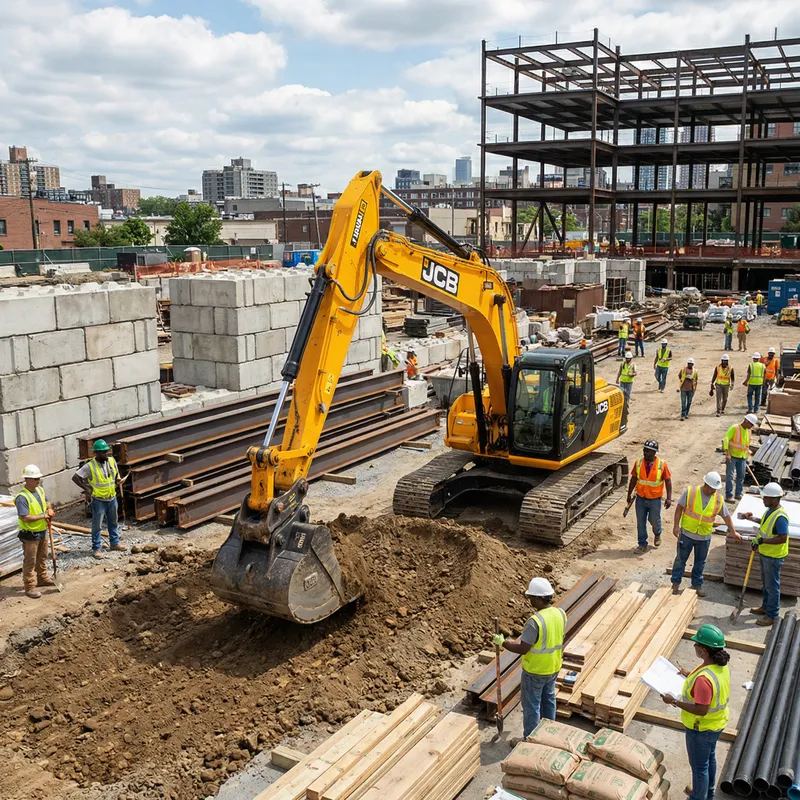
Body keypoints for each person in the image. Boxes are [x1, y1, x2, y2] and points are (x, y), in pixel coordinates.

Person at [661, 625, 731, 800]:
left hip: (701, 729)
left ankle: (698, 797)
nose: (694, 647)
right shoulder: (720, 666)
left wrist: (674, 702)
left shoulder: (703, 680)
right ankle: (708, 793)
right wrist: (688, 673)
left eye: (696, 644)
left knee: (699, 768)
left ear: (704, 650)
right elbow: (708, 680)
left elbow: (701, 709)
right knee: (709, 759)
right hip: (716, 724)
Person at [492, 577, 566, 738]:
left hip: (535, 671)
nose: (530, 600)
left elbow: (523, 648)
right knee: (549, 701)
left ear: (539, 598)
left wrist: (502, 642)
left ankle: (531, 739)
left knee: (532, 706)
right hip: (553, 667)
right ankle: (548, 735)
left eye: (531, 597)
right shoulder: (560, 613)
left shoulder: (535, 622)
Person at [671, 472, 740, 596]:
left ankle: (696, 586)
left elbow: (726, 516)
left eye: (716, 489)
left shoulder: (718, 499)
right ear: (706, 485)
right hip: (687, 534)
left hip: (704, 537)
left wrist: (733, 532)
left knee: (700, 562)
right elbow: (679, 508)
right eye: (713, 488)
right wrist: (676, 526)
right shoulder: (691, 492)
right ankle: (675, 584)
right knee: (680, 560)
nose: (714, 491)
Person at [739, 482, 790, 627]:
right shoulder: (770, 510)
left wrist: (762, 540)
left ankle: (772, 615)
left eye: (765, 497)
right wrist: (751, 518)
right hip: (765, 553)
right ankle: (765, 607)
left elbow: (782, 538)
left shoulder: (781, 517)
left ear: (774, 499)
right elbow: (764, 523)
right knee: (766, 584)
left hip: (773, 557)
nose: (763, 499)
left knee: (772, 586)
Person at [71, 439, 127, 559]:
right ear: (96, 453)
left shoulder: (111, 461)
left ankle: (114, 543)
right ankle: (96, 548)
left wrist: (118, 480)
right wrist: (87, 488)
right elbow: (76, 477)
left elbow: (115, 476)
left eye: (105, 452)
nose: (104, 454)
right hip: (99, 500)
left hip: (111, 497)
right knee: (97, 526)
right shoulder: (90, 466)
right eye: (101, 452)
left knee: (113, 522)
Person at [15, 465, 56, 599]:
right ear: (27, 479)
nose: (38, 480)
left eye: (38, 478)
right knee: (30, 561)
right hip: (30, 534)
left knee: (42, 557)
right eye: (35, 478)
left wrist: (49, 509)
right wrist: (43, 516)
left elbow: (47, 502)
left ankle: (42, 578)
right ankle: (30, 586)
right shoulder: (22, 497)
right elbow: (24, 517)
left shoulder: (39, 490)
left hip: (42, 530)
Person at [627, 439, 673, 554]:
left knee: (654, 520)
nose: (646, 453)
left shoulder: (662, 465)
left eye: (649, 451)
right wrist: (629, 494)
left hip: (655, 500)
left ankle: (657, 534)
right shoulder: (638, 463)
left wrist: (668, 498)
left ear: (654, 453)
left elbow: (668, 481)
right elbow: (633, 479)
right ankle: (642, 544)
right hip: (641, 498)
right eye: (645, 450)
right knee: (640, 523)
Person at [723, 414, 758, 502]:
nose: (752, 426)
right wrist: (727, 454)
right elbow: (726, 439)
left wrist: (747, 455)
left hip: (742, 457)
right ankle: (729, 495)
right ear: (746, 421)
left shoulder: (748, 430)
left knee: (741, 476)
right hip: (732, 456)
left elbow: (746, 444)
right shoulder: (735, 428)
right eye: (751, 424)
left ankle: (738, 493)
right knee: (730, 476)